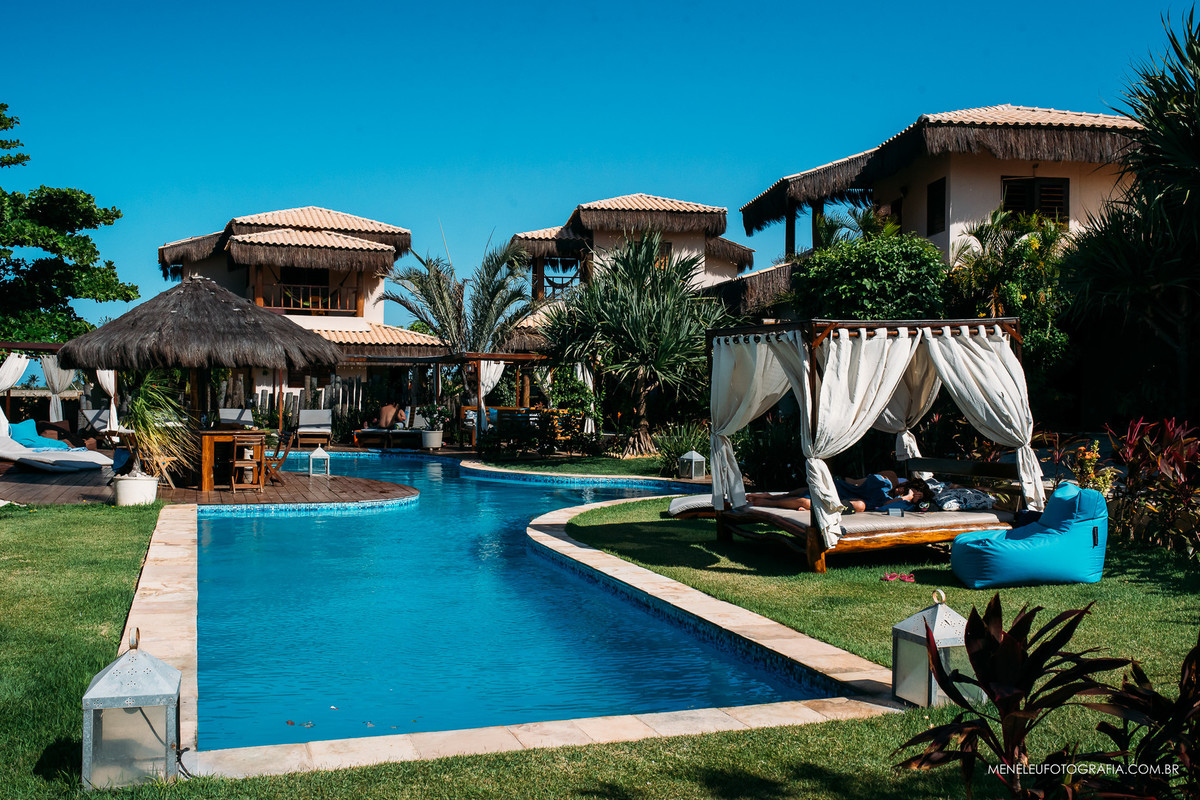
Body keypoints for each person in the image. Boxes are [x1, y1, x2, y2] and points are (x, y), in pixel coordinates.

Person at [745, 472, 934, 513]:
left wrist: (908, 498)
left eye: (916, 495)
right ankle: (772, 496)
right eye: (911, 489)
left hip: (843, 496)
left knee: (805, 501)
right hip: (841, 487)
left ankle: (764, 502)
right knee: (805, 491)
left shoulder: (895, 502)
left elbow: (883, 506)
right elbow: (853, 482)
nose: (908, 493)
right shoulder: (885, 482)